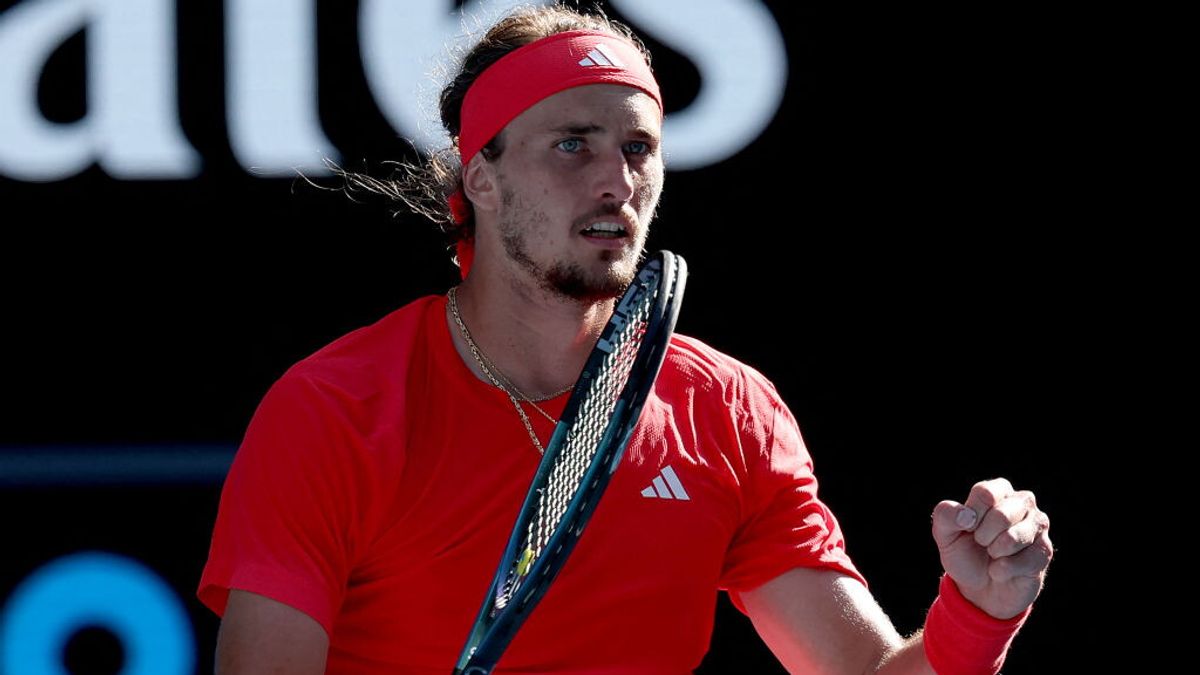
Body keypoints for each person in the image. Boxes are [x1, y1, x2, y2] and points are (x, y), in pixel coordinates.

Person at [198, 5, 1053, 674]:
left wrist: (978, 615)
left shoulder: (729, 411)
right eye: (573, 145)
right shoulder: (334, 411)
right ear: (481, 181)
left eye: (639, 150)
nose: (617, 181)